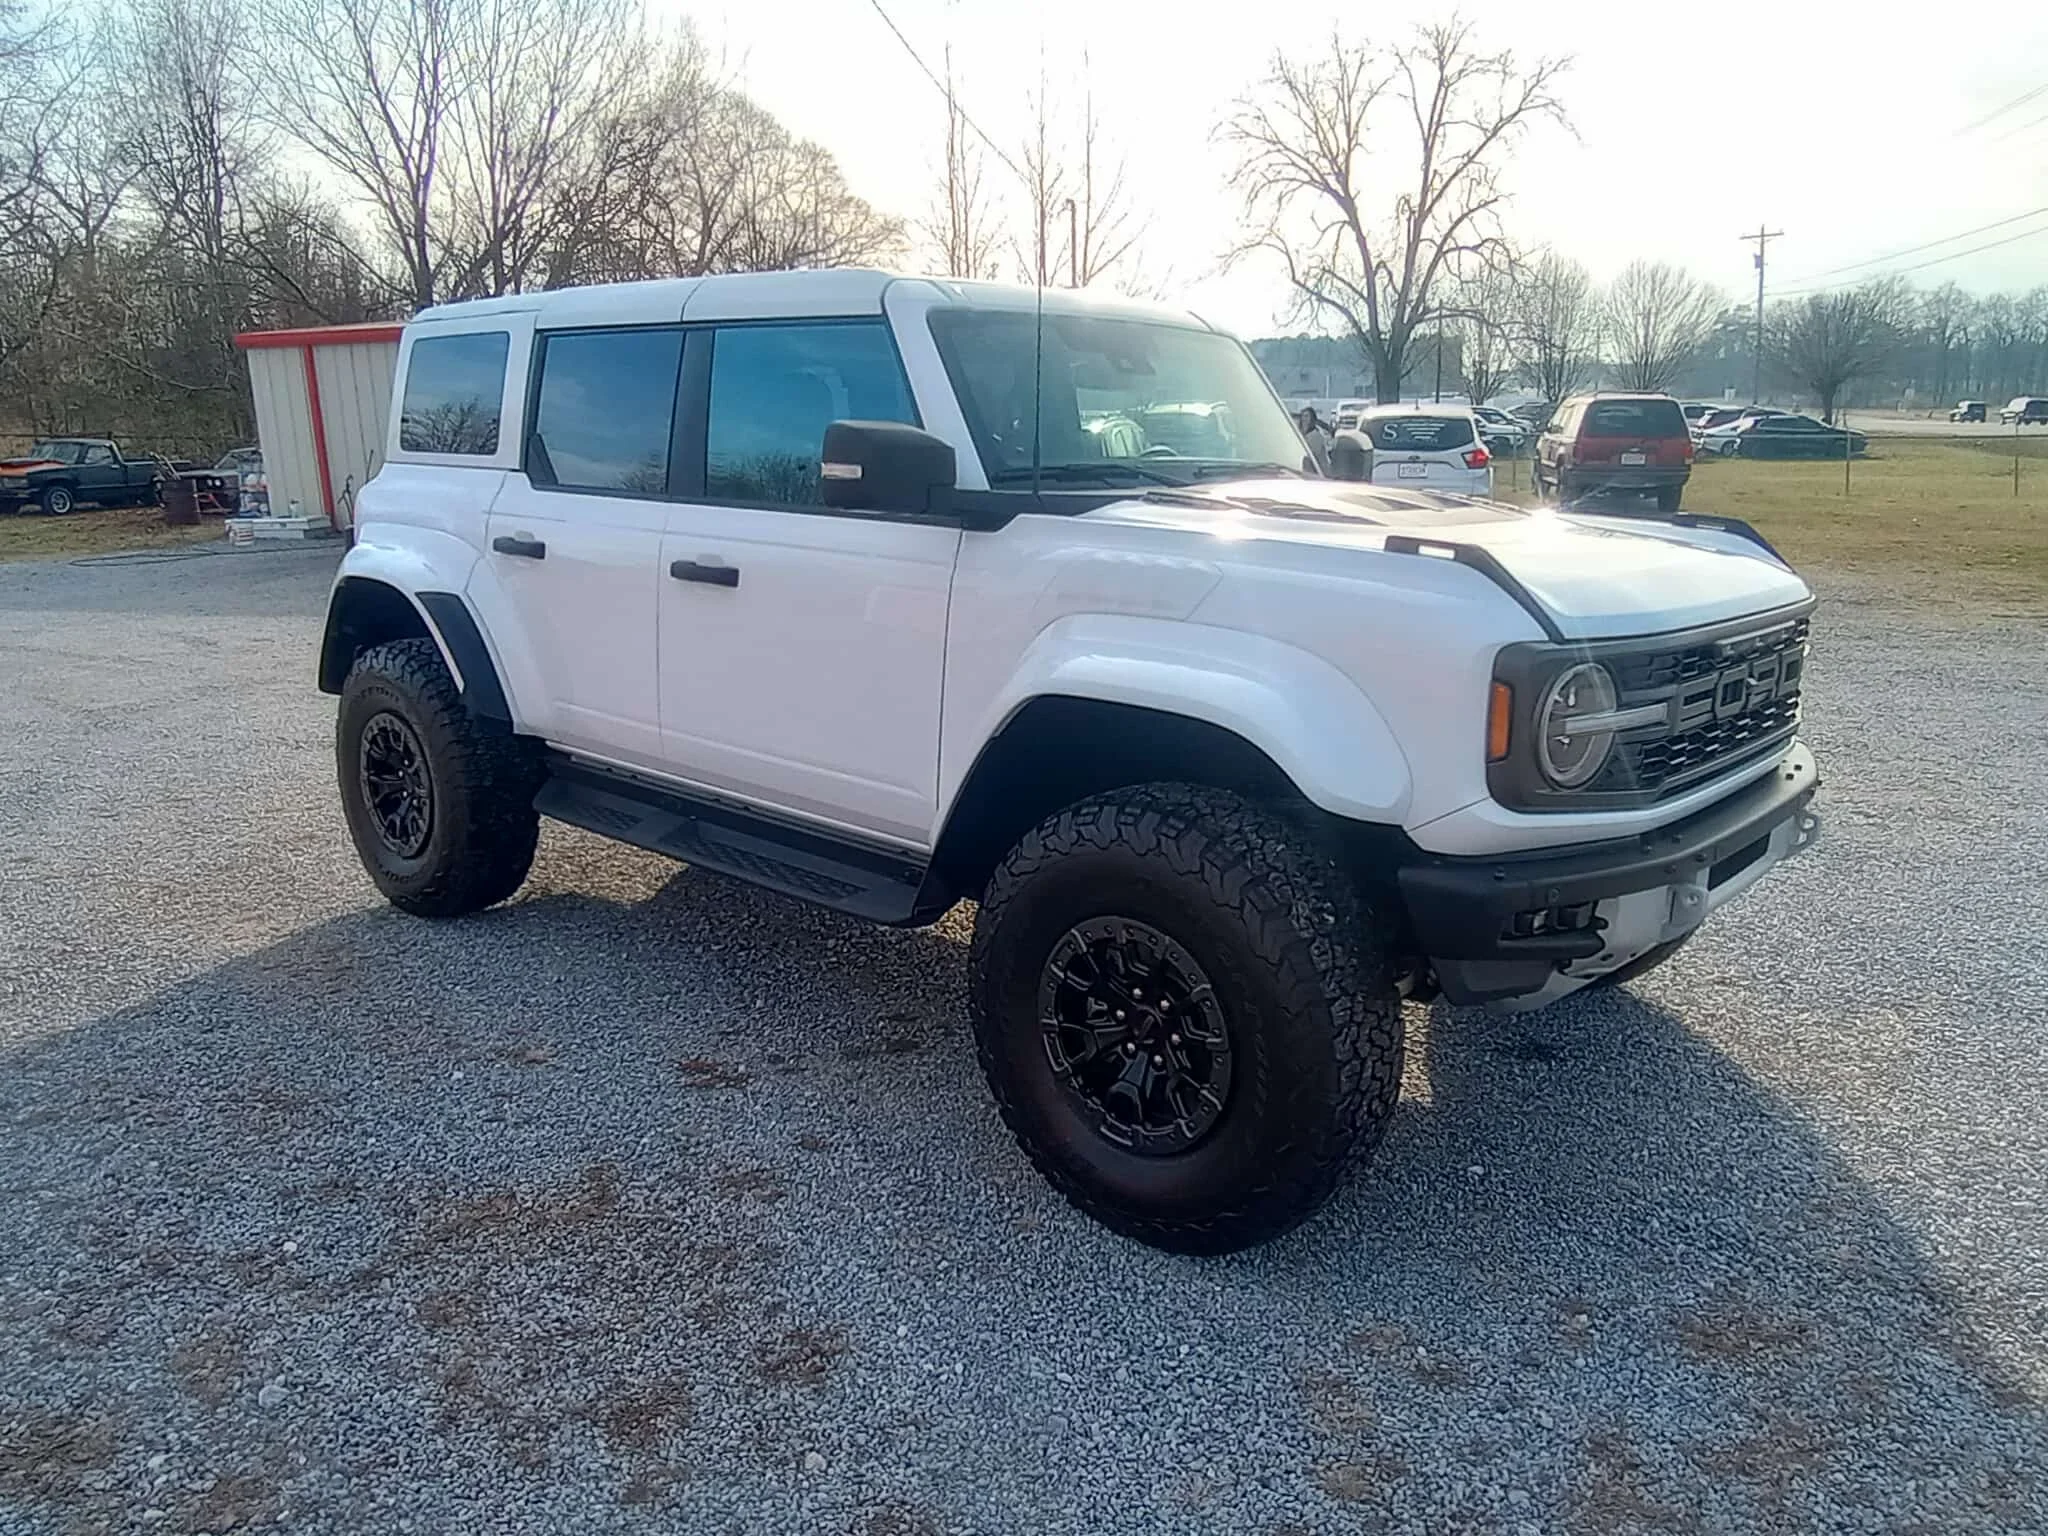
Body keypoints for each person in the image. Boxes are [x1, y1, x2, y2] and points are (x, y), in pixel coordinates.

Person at [1297, 406, 1331, 474]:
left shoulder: (1315, 435)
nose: (1304, 419)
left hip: (1317, 472)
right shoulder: (1301, 434)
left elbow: (1309, 455)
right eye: (1303, 416)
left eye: (1307, 416)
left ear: (1312, 419)